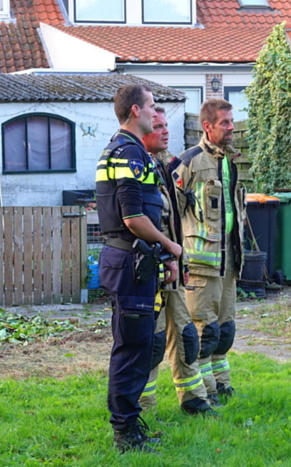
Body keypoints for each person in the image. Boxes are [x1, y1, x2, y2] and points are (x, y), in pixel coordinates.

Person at [96, 84, 182, 454]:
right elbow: (133, 217)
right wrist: (171, 246)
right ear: (135, 110)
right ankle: (125, 433)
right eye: (150, 106)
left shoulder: (125, 150)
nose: (154, 113)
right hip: (130, 262)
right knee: (132, 347)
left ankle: (131, 426)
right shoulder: (128, 153)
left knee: (138, 343)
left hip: (134, 262)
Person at [137, 106, 217, 416]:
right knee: (152, 343)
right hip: (149, 271)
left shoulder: (164, 167)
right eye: (158, 126)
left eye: (166, 125)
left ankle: (193, 399)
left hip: (173, 267)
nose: (166, 131)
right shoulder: (137, 169)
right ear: (142, 129)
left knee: (186, 335)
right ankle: (141, 408)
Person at [174, 98, 246, 406]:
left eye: (232, 122)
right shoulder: (188, 162)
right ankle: (202, 393)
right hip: (201, 264)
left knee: (224, 330)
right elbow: (171, 213)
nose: (232, 128)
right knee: (203, 333)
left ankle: (222, 385)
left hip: (229, 260)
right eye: (225, 123)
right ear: (207, 126)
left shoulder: (230, 161)